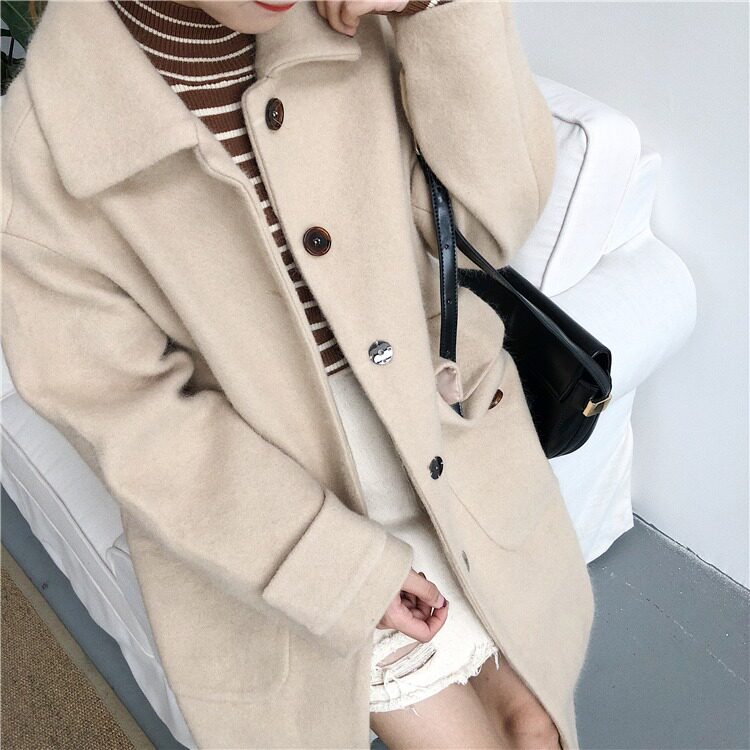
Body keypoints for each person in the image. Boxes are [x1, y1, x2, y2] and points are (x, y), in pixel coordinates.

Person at [2, 1, 595, 748]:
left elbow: (492, 225)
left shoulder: (360, 22)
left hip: (448, 450)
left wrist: (439, 12)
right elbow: (136, 424)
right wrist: (337, 571)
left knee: (536, 727)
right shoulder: (41, 156)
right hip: (284, 520)